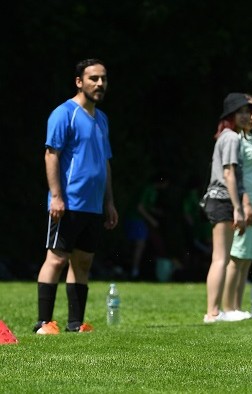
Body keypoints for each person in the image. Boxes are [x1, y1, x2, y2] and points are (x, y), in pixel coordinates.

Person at [34, 58, 118, 334]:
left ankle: (75, 323)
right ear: (79, 82)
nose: (100, 84)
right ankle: (44, 323)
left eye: (103, 78)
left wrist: (109, 202)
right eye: (93, 78)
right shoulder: (63, 113)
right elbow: (51, 155)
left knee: (83, 262)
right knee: (56, 259)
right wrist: (56, 196)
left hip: (93, 206)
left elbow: (105, 162)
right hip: (68, 202)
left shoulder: (102, 119)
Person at [201, 92, 252, 323]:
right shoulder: (231, 137)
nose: (246, 115)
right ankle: (212, 312)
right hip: (222, 199)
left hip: (218, 199)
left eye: (248, 111)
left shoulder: (226, 136)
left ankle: (215, 310)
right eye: (240, 112)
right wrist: (238, 208)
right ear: (230, 115)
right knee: (220, 257)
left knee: (220, 257)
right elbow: (229, 173)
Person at [220, 94, 252, 319]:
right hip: (246, 203)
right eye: (245, 112)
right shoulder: (235, 139)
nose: (250, 116)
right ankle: (228, 309)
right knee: (236, 258)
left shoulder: (248, 138)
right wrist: (245, 203)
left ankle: (237, 307)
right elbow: (235, 176)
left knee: (246, 259)